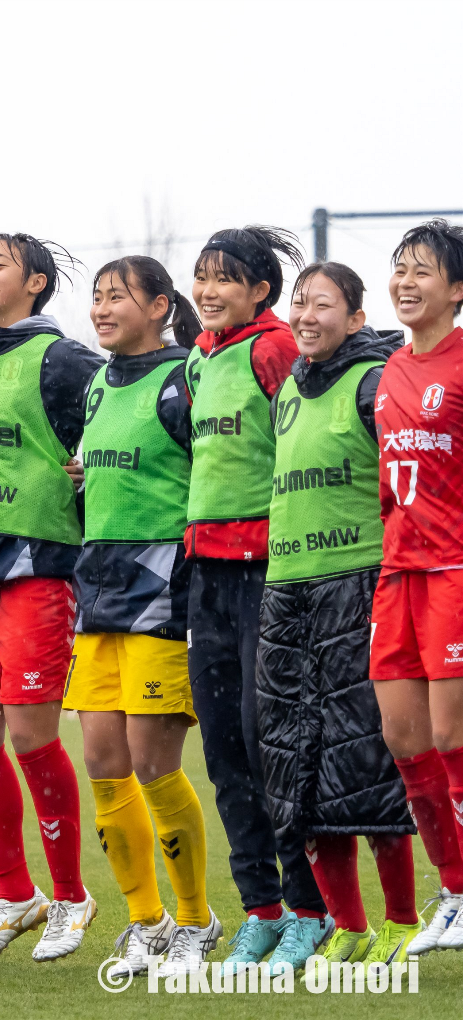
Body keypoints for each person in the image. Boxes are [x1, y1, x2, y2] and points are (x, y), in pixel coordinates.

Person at [0, 233, 102, 962]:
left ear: (34, 283)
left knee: (32, 739)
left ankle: (72, 896)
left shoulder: (65, 359)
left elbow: (120, 415)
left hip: (35, 569)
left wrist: (88, 467)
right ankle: (15, 896)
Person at [256, 263, 417, 965]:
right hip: (285, 588)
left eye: (323, 304)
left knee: (367, 766)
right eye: (301, 302)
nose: (306, 314)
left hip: (356, 584)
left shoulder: (374, 384)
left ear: (355, 319)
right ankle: (346, 928)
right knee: (295, 770)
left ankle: (403, 922)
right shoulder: (287, 388)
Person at [66, 258, 219, 979]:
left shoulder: (185, 375)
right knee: (102, 761)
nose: (100, 308)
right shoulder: (99, 382)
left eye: (116, 296)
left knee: (155, 762)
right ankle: (144, 920)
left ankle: (196, 920)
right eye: (95, 296)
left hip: (163, 587)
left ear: (161, 306)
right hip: (97, 589)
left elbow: (211, 467)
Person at [184, 226, 330, 968]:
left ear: (260, 292)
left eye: (225, 280)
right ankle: (260, 909)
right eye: (201, 277)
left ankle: (310, 908)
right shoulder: (199, 359)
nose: (208, 291)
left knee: (270, 743)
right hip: (204, 574)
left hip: (267, 575)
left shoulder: (272, 348)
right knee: (223, 750)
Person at [369, 219, 463, 955]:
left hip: (454, 572)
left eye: (422, 270)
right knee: (404, 739)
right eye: (399, 268)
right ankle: (455, 891)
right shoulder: (391, 368)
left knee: (450, 734)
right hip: (397, 572)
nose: (405, 281)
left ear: (457, 290)